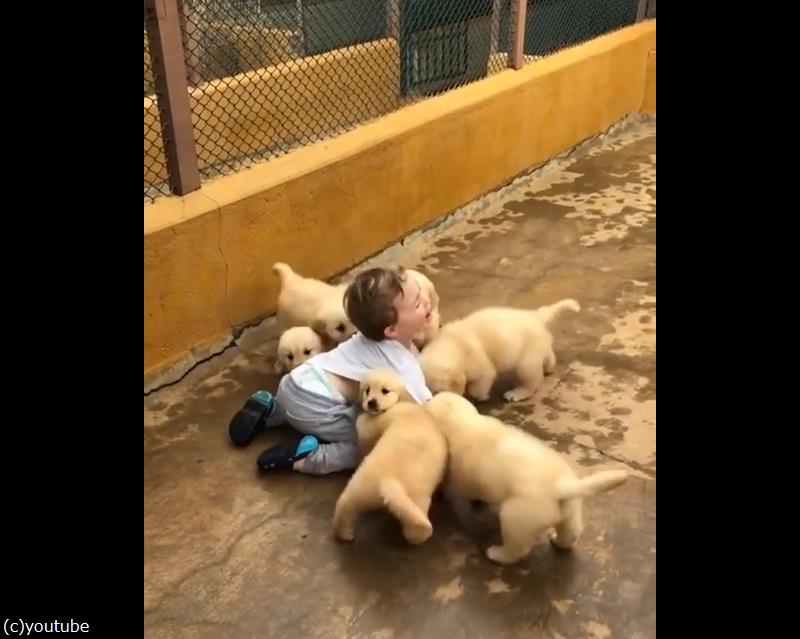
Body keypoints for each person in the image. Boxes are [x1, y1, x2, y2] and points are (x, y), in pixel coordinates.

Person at [228, 266, 433, 474]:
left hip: (293, 381)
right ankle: (309, 458)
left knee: (300, 407)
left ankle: (272, 410)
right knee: (371, 441)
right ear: (391, 330)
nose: (427, 302)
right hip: (315, 404)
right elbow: (426, 407)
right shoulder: (400, 362)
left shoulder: (364, 336)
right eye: (417, 303)